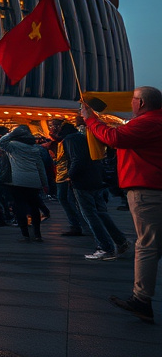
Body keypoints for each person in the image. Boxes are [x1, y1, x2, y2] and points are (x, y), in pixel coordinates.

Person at [82, 86, 162, 324]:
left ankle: (141, 299)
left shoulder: (149, 122)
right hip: (153, 188)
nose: (131, 104)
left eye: (134, 100)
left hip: (147, 189)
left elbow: (115, 138)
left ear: (142, 103)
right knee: (153, 245)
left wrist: (91, 120)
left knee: (147, 246)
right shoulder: (154, 121)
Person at [62, 120, 129, 261]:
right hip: (96, 178)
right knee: (101, 213)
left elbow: (77, 159)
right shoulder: (86, 137)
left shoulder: (70, 139)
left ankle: (105, 247)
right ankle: (120, 240)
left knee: (89, 214)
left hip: (82, 181)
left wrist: (70, 176)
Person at [0, 124, 48, 243]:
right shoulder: (35, 148)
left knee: (20, 208)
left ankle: (25, 234)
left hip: (18, 181)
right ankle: (37, 234)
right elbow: (40, 168)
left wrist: (12, 133)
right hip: (34, 181)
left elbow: (0, 143)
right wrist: (44, 183)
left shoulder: (13, 146)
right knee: (34, 208)